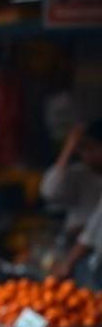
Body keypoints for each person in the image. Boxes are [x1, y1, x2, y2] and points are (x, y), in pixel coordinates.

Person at [52, 121, 102, 282]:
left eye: (91, 148)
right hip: (81, 251)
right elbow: (50, 191)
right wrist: (68, 149)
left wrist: (68, 263)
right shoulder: (79, 173)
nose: (85, 155)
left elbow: (94, 229)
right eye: (82, 149)